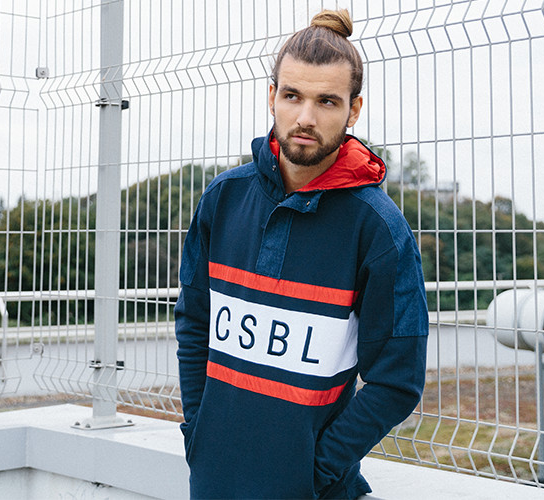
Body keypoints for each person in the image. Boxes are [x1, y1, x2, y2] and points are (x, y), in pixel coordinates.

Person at [174, 8, 428, 499]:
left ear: (353, 110)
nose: (305, 118)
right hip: (212, 482)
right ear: (272, 97)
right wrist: (198, 435)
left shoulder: (378, 228)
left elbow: (397, 380)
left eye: (327, 101)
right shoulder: (223, 199)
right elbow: (194, 323)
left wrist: (314, 469)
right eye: (292, 96)